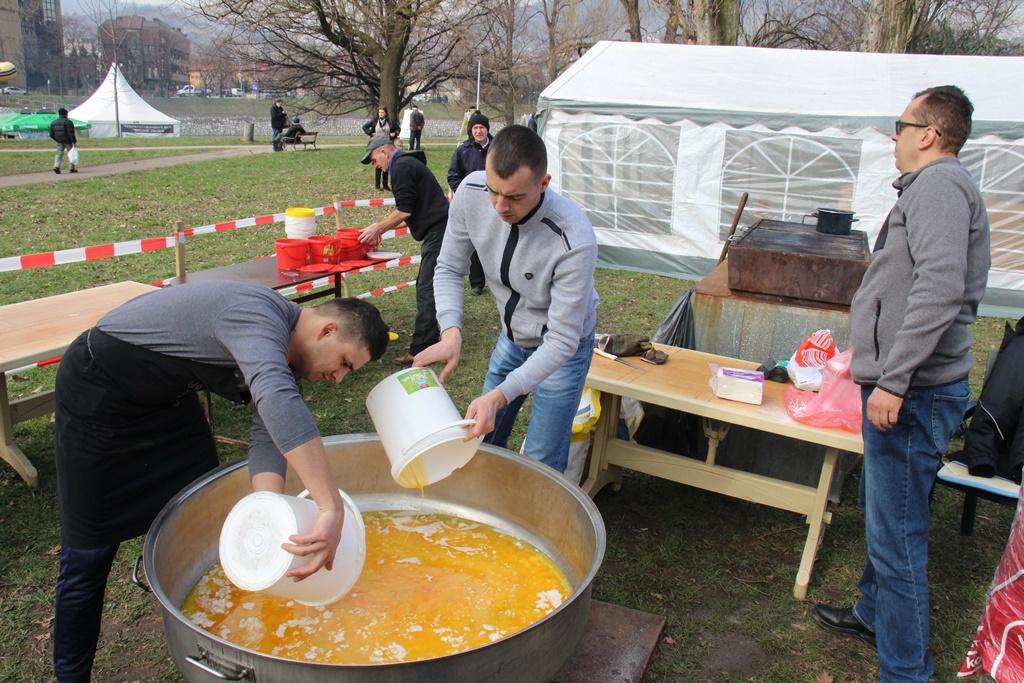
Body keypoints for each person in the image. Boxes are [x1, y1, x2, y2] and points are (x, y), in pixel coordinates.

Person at [52, 283, 389, 682]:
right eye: (346, 364)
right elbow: (277, 399)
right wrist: (330, 507)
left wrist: (270, 517)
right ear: (327, 330)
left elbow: (269, 434)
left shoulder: (282, 355)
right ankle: (71, 676)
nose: (338, 378)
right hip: (97, 394)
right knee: (88, 554)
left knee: (199, 508)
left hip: (164, 403)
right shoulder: (258, 317)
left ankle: (219, 637)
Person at [812, 85, 991, 683]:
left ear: (929, 133)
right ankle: (873, 613)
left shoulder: (939, 186)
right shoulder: (933, 187)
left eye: (901, 124)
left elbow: (938, 289)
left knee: (900, 539)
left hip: (913, 392)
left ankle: (906, 672)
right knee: (886, 512)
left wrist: (893, 379)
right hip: (907, 384)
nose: (894, 135)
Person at [414, 125, 599, 475]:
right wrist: (450, 331)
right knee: (481, 439)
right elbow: (449, 268)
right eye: (495, 192)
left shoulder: (573, 238)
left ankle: (539, 525)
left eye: (515, 197)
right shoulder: (470, 191)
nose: (500, 206)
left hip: (563, 350)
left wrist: (501, 394)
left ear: (543, 183)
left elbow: (562, 339)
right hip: (511, 337)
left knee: (541, 460)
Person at [359, 134, 447, 366]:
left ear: (384, 152)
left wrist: (378, 228)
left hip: (439, 230)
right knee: (433, 285)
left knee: (426, 288)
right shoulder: (406, 164)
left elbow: (404, 210)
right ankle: (438, 336)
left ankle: (422, 349)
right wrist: (380, 229)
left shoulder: (401, 167)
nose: (375, 166)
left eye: (374, 160)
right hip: (439, 229)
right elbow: (407, 209)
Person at [447, 110, 492, 296]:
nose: (478, 131)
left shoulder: (498, 148)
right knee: (474, 243)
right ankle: (477, 282)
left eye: (482, 127)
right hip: (471, 205)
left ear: (487, 130)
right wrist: (464, 194)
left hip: (494, 203)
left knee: (494, 240)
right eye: (475, 128)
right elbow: (453, 176)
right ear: (470, 130)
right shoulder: (462, 151)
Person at [361, 106, 399, 190]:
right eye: (379, 112)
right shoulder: (374, 121)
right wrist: (370, 133)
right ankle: (377, 186)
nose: (381, 114)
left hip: (387, 145)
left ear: (385, 113)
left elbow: (398, 129)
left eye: (382, 112)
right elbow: (364, 127)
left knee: (386, 164)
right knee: (378, 165)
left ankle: (385, 185)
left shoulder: (390, 121)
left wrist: (394, 134)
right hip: (376, 146)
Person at [49, 108, 77, 174]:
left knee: (59, 154)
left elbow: (51, 134)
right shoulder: (68, 122)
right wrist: (74, 141)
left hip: (59, 141)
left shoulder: (54, 122)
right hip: (68, 141)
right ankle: (71, 168)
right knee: (71, 154)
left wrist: (56, 139)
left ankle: (56, 167)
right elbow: (71, 133)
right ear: (66, 114)